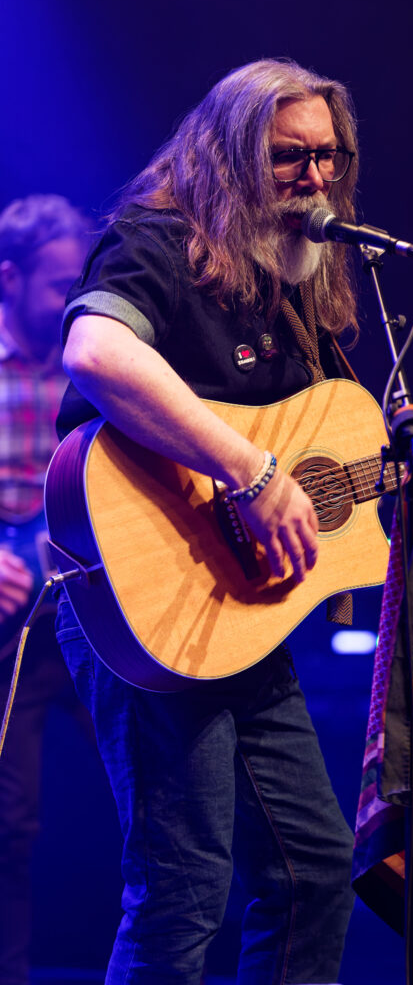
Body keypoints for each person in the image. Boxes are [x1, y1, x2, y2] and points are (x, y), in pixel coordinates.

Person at [55, 58, 413, 984]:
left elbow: (345, 462)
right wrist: (249, 470)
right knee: (184, 890)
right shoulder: (158, 242)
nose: (315, 180)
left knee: (311, 876)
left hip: (241, 621)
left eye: (329, 158)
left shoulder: (297, 280)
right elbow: (95, 353)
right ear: (229, 155)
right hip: (138, 601)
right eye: (289, 157)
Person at [0, 194, 92, 985]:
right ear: (9, 277)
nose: (73, 301)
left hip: (93, 610)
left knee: (166, 788)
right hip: (12, 629)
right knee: (10, 818)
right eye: (59, 285)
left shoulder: (89, 359)